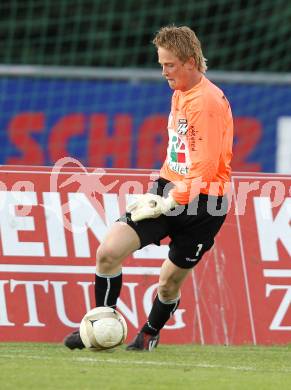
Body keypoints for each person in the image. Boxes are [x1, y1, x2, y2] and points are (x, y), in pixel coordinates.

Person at [64, 25, 233, 351]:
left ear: (189, 61)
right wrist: (162, 191)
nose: (164, 71)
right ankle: (102, 324)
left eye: (169, 65)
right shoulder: (180, 92)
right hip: (170, 190)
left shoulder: (207, 103)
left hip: (204, 205)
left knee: (169, 284)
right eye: (161, 65)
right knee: (109, 252)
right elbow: (182, 154)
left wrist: (170, 201)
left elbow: (207, 169)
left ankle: (149, 333)